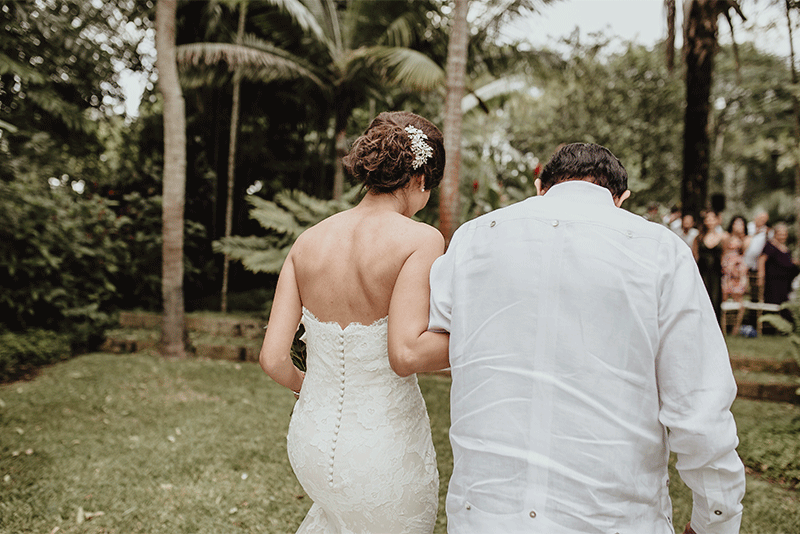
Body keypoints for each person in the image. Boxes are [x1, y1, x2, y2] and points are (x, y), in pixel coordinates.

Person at [420, 143, 744, 533]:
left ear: (540, 186)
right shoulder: (661, 252)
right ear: (620, 199)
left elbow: (440, 329)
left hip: (485, 515)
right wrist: (716, 519)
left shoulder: (472, 239)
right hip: (612, 518)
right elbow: (699, 408)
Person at [258, 111, 448, 533]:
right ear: (420, 178)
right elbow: (406, 353)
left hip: (311, 440)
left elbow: (272, 359)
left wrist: (308, 389)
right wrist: (487, 336)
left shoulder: (308, 241)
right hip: (384, 451)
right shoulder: (420, 239)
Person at [758, 222, 800, 313]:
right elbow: (761, 260)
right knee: (773, 305)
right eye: (780, 234)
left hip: (785, 284)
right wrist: (761, 275)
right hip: (773, 283)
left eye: (784, 234)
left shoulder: (786, 248)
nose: (782, 236)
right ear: (775, 233)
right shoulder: (770, 246)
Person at [693, 210, 726, 320]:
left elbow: (724, 256)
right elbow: (695, 256)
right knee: (702, 297)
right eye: (707, 219)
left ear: (717, 220)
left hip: (716, 273)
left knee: (716, 298)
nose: (710, 221)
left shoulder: (723, 237)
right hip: (703, 272)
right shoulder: (699, 237)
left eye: (712, 219)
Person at [721, 234, 748, 334]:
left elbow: (742, 272)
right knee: (723, 299)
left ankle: (735, 328)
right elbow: (725, 270)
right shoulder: (725, 257)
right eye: (732, 240)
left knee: (740, 304)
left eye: (737, 241)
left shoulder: (741, 258)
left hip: (737, 283)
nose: (734, 243)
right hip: (727, 283)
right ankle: (722, 326)